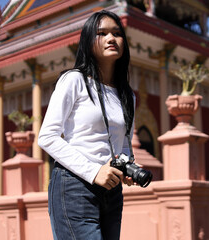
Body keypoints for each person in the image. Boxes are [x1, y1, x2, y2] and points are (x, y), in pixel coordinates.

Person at [38, 10, 135, 240]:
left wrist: (128, 166)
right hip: (75, 186)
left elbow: (124, 142)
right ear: (88, 41)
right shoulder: (74, 80)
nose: (111, 38)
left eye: (117, 33)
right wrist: (94, 172)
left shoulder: (127, 95)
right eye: (102, 33)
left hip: (112, 189)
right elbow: (47, 136)